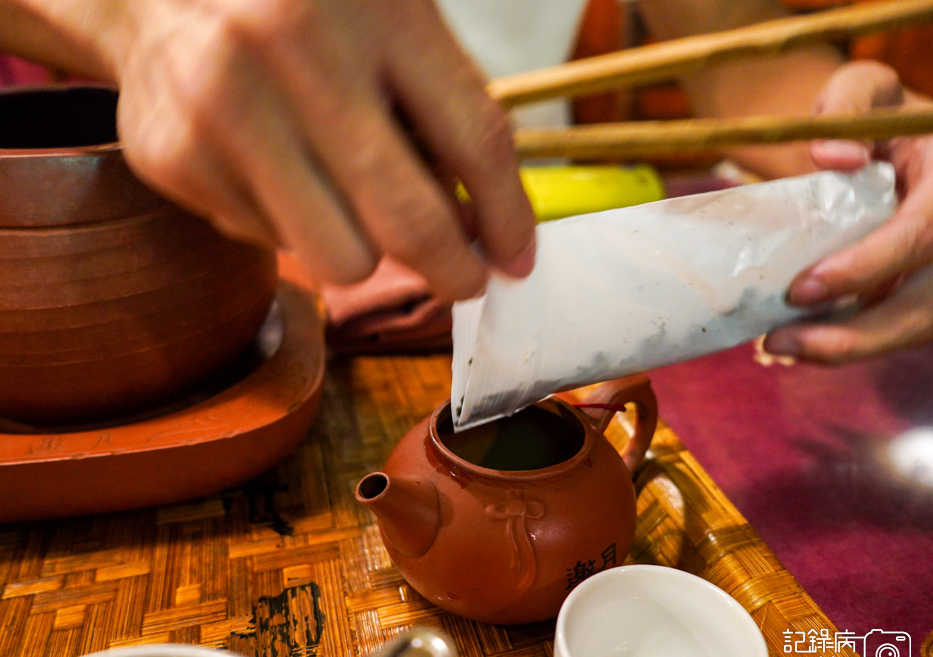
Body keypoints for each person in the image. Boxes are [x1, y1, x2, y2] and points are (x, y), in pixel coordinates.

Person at [1, 0, 931, 365]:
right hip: (183, 282)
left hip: (553, 302)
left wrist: (884, 149)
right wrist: (134, 18)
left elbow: (752, 80)